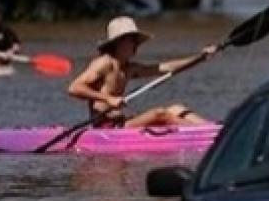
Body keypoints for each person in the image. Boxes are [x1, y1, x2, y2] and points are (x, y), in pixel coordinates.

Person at [68, 16, 216, 128]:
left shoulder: (129, 68)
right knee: (159, 113)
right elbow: (74, 88)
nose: (136, 44)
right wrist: (107, 98)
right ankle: (203, 136)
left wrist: (200, 58)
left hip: (122, 121)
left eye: (135, 40)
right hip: (108, 127)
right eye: (131, 39)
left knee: (178, 108)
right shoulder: (104, 63)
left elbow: (167, 67)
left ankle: (215, 131)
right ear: (118, 42)